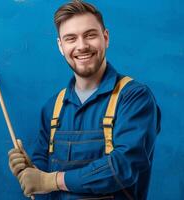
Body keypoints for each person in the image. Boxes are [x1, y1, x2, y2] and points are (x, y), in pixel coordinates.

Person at [8, 0, 161, 199]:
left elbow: (123, 167)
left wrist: (51, 180)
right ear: (61, 46)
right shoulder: (52, 108)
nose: (82, 46)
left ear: (105, 38)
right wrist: (31, 172)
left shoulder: (134, 98)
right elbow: (43, 180)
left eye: (90, 35)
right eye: (71, 38)